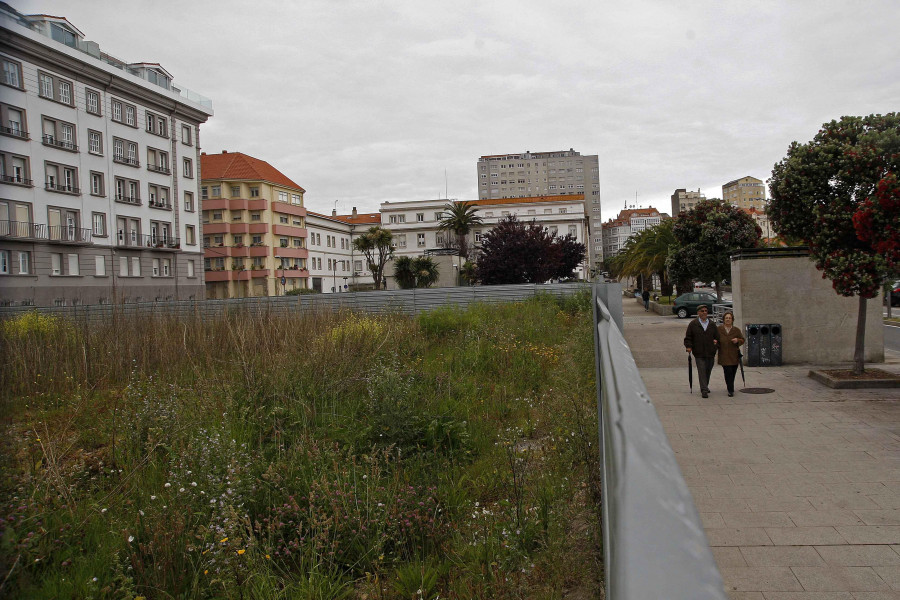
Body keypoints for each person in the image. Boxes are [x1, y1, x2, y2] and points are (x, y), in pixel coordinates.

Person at [684, 304, 719, 398]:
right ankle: (704, 390)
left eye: (706, 311)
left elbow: (717, 337)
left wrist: (716, 344)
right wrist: (688, 346)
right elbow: (688, 337)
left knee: (708, 371)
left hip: (710, 352)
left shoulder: (712, 324)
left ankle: (705, 385)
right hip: (699, 352)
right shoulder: (693, 324)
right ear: (698, 312)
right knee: (702, 370)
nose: (704, 313)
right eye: (702, 311)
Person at [717, 311, 745, 397]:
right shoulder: (719, 329)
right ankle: (730, 389)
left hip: (734, 356)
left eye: (729, 318)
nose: (728, 320)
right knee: (727, 372)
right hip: (724, 355)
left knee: (733, 372)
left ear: (732, 320)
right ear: (723, 320)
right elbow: (715, 339)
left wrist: (738, 340)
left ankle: (730, 385)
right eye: (726, 318)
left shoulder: (736, 330)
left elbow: (742, 340)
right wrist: (715, 342)